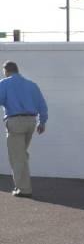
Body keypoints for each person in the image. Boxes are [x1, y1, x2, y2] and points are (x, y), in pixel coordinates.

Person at [0, 61, 48, 198]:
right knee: (21, 154)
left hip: (15, 122)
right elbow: (42, 105)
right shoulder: (31, 85)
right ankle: (22, 183)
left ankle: (24, 189)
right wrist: (42, 122)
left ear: (7, 71)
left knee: (17, 157)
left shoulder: (4, 83)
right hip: (31, 123)